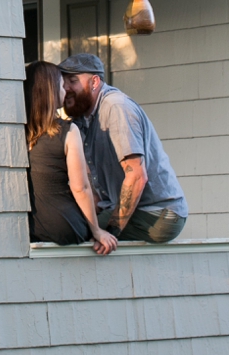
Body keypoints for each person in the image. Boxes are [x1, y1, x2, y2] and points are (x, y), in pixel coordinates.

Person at [59, 53, 188, 244]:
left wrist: (111, 231)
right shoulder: (83, 119)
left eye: (73, 80)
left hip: (158, 214)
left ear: (95, 82)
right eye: (63, 82)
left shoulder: (116, 107)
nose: (66, 88)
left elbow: (136, 175)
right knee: (70, 223)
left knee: (77, 231)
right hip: (129, 210)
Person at [24, 61, 118, 255]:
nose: (65, 89)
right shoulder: (67, 130)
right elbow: (80, 187)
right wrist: (97, 231)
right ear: (50, 91)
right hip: (64, 226)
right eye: (61, 84)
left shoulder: (22, 133)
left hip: (29, 227)